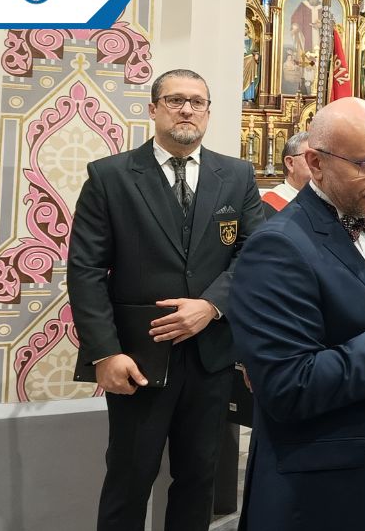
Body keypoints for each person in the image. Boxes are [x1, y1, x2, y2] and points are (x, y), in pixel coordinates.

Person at [230, 97, 365, 529]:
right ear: (315, 162)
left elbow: (362, 323)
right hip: (321, 490)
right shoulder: (279, 246)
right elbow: (288, 387)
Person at [68, 69, 265, 530]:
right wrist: (104, 352)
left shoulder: (236, 176)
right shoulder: (110, 176)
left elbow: (254, 255)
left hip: (210, 356)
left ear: (209, 113)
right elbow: (86, 270)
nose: (187, 110)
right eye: (176, 100)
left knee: (199, 479)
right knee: (129, 479)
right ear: (154, 109)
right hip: (137, 357)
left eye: (198, 102)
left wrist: (212, 305)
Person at [261, 131, 311, 216]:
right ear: (290, 163)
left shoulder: (327, 200)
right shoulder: (270, 204)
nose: (319, 163)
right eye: (310, 156)